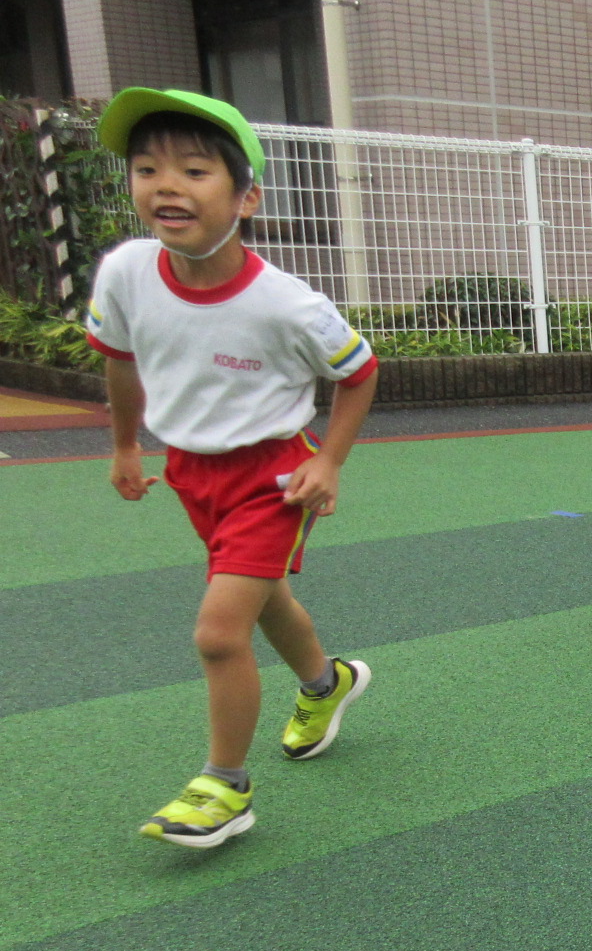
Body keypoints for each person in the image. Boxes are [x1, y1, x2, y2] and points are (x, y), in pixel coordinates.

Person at [87, 88, 378, 849]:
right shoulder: (126, 272)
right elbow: (119, 361)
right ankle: (327, 684)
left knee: (220, 632)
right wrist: (126, 445)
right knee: (266, 599)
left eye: (194, 170)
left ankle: (225, 787)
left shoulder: (287, 304)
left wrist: (331, 462)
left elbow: (360, 372)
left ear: (247, 197)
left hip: (273, 477)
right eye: (147, 169)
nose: (167, 185)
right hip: (191, 471)